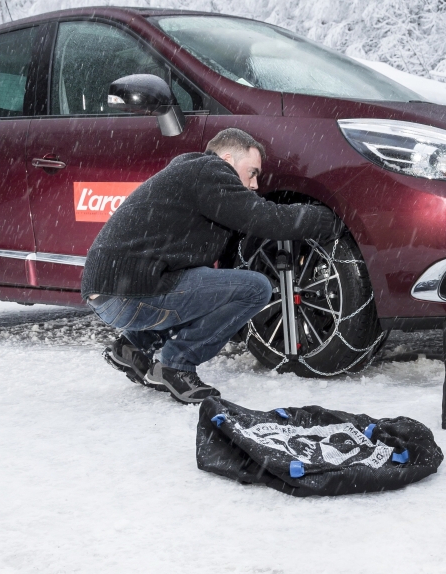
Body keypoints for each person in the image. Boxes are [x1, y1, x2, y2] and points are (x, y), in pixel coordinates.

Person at [83, 128, 338, 404]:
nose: (254, 185)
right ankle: (179, 364)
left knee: (203, 285)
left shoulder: (191, 172)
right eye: (252, 172)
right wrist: (330, 218)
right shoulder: (212, 172)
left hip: (106, 292)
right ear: (228, 159)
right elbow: (266, 218)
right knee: (255, 289)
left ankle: (132, 346)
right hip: (131, 294)